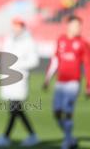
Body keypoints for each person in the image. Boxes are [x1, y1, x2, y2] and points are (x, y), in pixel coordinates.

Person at [42, 15, 90, 149]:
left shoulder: (83, 43)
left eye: (79, 26)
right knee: (57, 113)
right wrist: (47, 79)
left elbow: (87, 65)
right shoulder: (61, 40)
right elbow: (55, 60)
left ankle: (66, 142)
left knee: (67, 111)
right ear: (69, 25)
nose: (78, 28)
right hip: (60, 83)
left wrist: (88, 85)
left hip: (73, 83)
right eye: (75, 25)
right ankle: (70, 139)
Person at [0, 18, 40, 147]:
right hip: (9, 79)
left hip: (19, 78)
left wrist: (17, 65)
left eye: (18, 26)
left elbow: (34, 61)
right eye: (14, 26)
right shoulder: (9, 39)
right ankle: (32, 135)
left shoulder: (29, 42)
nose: (16, 28)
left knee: (15, 108)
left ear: (23, 27)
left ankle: (6, 136)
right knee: (15, 108)